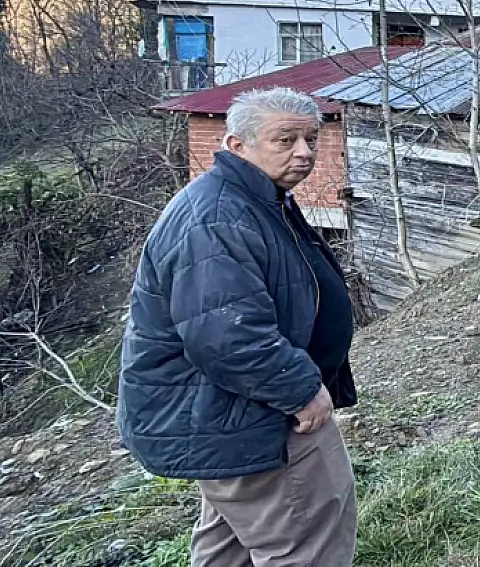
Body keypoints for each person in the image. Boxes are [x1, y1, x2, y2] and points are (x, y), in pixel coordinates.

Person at [118, 86, 358, 566]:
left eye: (311, 139)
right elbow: (227, 336)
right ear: (236, 146)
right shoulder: (219, 218)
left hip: (228, 414)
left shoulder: (256, 199)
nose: (305, 152)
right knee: (308, 545)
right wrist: (301, 390)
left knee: (230, 550)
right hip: (250, 413)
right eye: (285, 139)